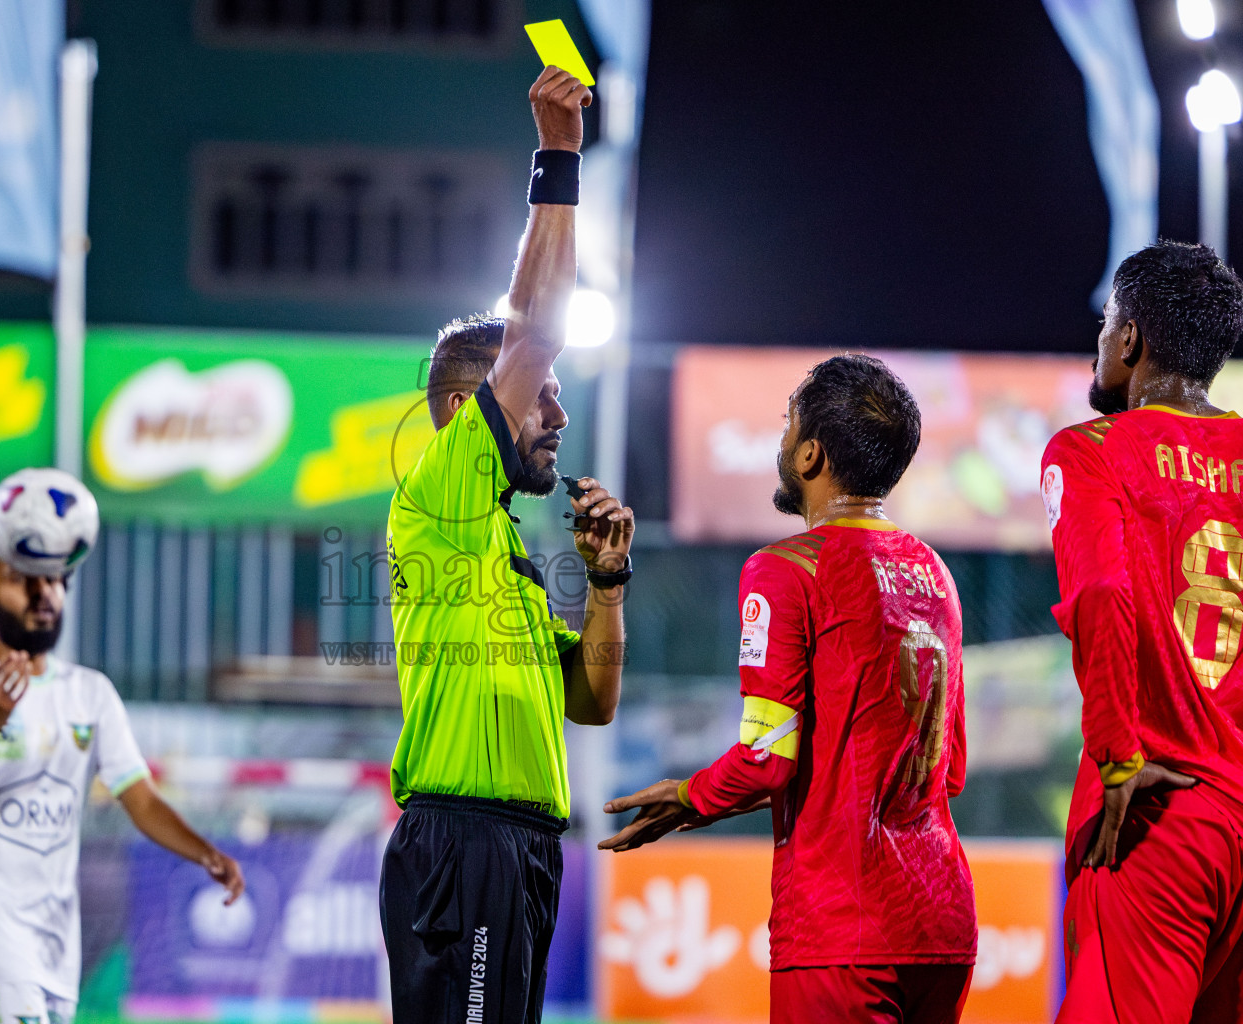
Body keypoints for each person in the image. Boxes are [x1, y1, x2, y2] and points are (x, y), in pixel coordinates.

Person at [601, 355, 977, 1024]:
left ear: (809, 455)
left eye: (786, 426)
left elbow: (767, 759)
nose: (779, 443)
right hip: (944, 924)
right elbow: (951, 770)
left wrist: (689, 797)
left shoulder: (786, 569)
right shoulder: (933, 571)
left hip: (842, 929)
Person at [378, 66, 633, 1023]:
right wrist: (559, 156)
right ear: (464, 411)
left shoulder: (509, 556)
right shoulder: (439, 496)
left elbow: (593, 703)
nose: (556, 414)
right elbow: (533, 334)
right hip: (464, 843)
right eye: (542, 399)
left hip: (524, 847)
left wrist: (608, 583)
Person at [0, 517, 244, 1024]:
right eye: (23, 579)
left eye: (55, 579)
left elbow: (140, 798)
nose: (45, 593)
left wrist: (206, 853)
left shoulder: (91, 693)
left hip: (56, 942)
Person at [1044, 240, 1243, 1024]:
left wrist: (1120, 755)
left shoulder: (1091, 451)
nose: (1100, 341)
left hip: (1164, 808)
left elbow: (1100, 589)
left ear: (1131, 338)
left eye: (1105, 324)